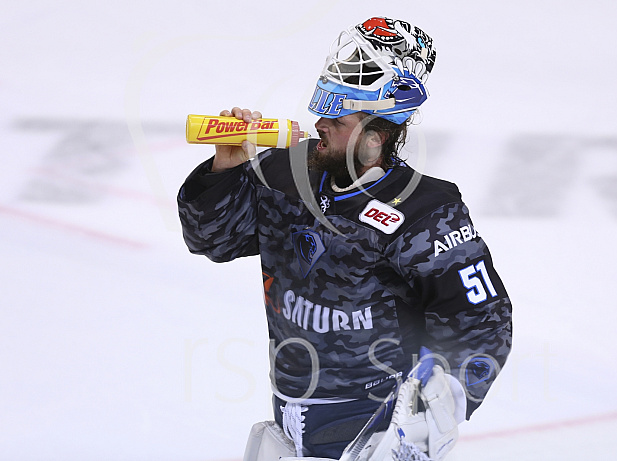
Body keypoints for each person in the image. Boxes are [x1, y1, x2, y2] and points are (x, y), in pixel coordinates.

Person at [178, 16, 512, 461]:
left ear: (378, 132)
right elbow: (211, 240)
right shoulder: (283, 174)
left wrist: (421, 427)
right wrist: (226, 170)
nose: (320, 121)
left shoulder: (426, 211)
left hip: (373, 430)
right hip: (287, 423)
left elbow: (483, 323)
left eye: (339, 114)